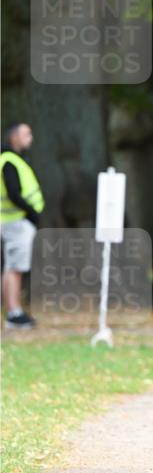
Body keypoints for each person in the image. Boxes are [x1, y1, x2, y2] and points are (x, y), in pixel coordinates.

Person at [1, 122, 44, 329]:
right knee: (15, 268)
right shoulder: (9, 161)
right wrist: (31, 213)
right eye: (26, 134)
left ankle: (13, 311)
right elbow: (13, 193)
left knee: (12, 267)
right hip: (16, 222)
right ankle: (14, 312)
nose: (31, 138)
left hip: (15, 221)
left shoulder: (13, 160)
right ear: (13, 138)